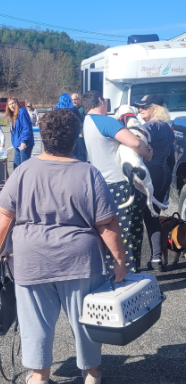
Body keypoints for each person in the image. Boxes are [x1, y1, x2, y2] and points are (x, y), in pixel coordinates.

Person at [0, 109, 127, 384]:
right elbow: (107, 223)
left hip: (31, 258)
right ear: (75, 138)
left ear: (43, 137)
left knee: (36, 323)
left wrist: (1, 251)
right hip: (80, 259)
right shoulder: (88, 173)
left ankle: (40, 378)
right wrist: (119, 260)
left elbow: (5, 216)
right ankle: (91, 374)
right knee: (86, 320)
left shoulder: (23, 170)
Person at [83, 90, 153, 273]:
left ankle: (113, 273)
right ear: (100, 101)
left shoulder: (87, 122)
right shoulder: (106, 122)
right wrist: (148, 152)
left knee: (110, 233)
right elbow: (136, 143)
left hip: (102, 185)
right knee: (129, 234)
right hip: (121, 185)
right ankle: (130, 276)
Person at [134, 94, 175, 271]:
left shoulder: (152, 126)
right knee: (152, 217)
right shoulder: (166, 127)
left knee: (138, 217)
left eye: (144, 107)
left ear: (156, 109)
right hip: (163, 172)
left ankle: (134, 262)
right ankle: (156, 259)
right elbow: (172, 157)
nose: (140, 110)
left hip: (151, 174)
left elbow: (136, 139)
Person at [53, 93, 86, 162]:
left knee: (61, 155)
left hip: (60, 136)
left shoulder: (55, 110)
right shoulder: (74, 109)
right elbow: (81, 120)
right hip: (73, 135)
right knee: (75, 156)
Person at [5, 97, 34, 169]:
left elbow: (26, 128)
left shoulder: (22, 112)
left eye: (13, 103)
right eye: (9, 104)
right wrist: (14, 143)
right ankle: (17, 180)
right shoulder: (13, 115)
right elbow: (13, 131)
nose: (11, 106)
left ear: (17, 103)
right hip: (18, 144)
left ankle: (26, 180)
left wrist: (23, 142)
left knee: (23, 167)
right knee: (16, 166)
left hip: (24, 144)